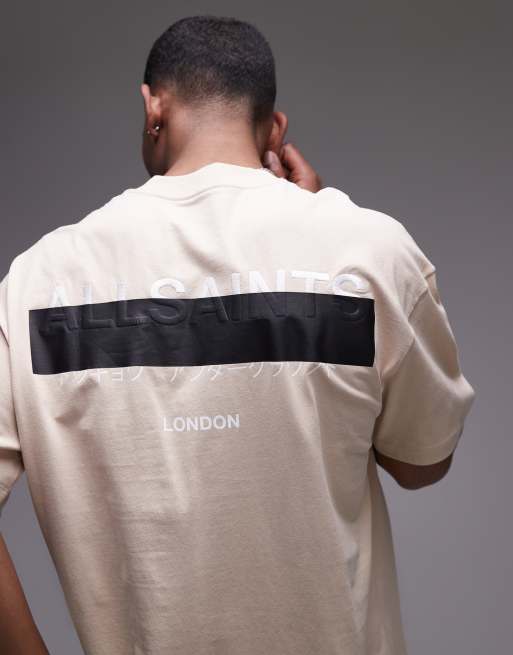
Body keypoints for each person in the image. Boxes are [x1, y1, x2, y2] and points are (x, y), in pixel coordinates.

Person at [0, 15, 475, 655]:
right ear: (274, 129)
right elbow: (421, 462)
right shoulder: (373, 252)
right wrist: (319, 253)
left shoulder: (37, 279)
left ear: (153, 107)